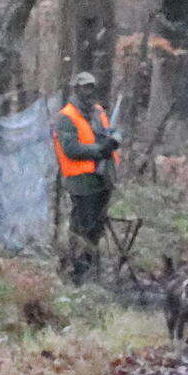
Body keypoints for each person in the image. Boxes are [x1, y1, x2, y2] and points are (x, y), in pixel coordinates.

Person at [55, 72, 122, 275]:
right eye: (84, 87)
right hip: (81, 181)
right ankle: (76, 269)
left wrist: (115, 139)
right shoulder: (66, 116)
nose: (88, 91)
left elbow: (112, 131)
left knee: (96, 228)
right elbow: (71, 149)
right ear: (75, 89)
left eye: (91, 86)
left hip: (102, 178)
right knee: (82, 226)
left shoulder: (98, 111)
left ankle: (89, 266)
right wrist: (99, 150)